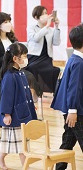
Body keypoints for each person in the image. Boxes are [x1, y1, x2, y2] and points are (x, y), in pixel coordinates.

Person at [0, 43, 37, 170]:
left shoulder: (20, 73)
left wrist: (30, 105)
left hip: (23, 113)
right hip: (14, 115)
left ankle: (2, 157)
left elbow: (25, 93)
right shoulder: (9, 76)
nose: (26, 59)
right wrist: (6, 114)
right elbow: (6, 97)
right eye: (24, 56)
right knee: (19, 144)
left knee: (19, 142)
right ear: (15, 58)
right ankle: (25, 166)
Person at [51, 24, 83, 170]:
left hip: (73, 109)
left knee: (68, 142)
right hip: (76, 112)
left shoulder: (74, 59)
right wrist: (72, 110)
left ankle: (59, 167)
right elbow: (73, 89)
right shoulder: (78, 63)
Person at [26, 5, 61, 93]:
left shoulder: (51, 30)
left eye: (46, 13)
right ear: (36, 17)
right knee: (32, 67)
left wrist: (56, 27)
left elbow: (56, 42)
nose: (46, 15)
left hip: (46, 58)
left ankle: (50, 92)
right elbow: (36, 38)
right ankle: (34, 92)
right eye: (43, 14)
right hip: (33, 57)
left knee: (55, 70)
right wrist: (47, 26)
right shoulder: (31, 27)